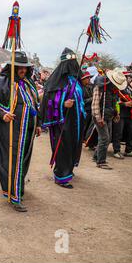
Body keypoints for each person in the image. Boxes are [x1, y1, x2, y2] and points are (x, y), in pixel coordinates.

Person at [0, 51, 41, 212]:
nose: (22, 70)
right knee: (13, 162)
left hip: (28, 131)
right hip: (12, 132)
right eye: (19, 67)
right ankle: (13, 196)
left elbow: (34, 105)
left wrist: (38, 124)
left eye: (25, 67)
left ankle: (18, 188)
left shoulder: (29, 83)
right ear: (12, 67)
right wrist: (3, 114)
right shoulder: (3, 83)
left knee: (23, 161)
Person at [41, 48, 86, 189]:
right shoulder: (57, 80)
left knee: (73, 145)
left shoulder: (75, 80)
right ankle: (61, 176)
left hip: (75, 121)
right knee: (63, 147)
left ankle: (69, 170)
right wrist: (63, 104)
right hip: (62, 121)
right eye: (70, 63)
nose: (73, 65)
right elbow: (48, 98)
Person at [91, 69, 125, 169]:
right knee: (105, 138)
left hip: (108, 115)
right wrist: (98, 118)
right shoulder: (100, 86)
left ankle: (96, 156)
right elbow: (95, 103)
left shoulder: (113, 89)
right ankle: (101, 161)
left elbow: (114, 102)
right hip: (100, 116)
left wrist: (116, 113)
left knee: (106, 138)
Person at [111, 68, 132, 159]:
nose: (126, 77)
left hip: (130, 113)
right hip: (120, 114)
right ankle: (116, 151)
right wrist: (124, 104)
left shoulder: (129, 86)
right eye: (125, 76)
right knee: (118, 133)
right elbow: (113, 101)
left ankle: (129, 150)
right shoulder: (115, 87)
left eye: (127, 76)